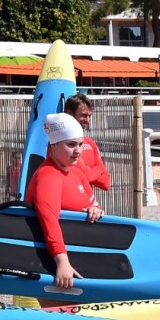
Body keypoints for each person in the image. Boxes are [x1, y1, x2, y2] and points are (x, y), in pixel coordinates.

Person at [26, 112, 104, 307]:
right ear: (53, 146)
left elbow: (93, 204)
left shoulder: (76, 172)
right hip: (55, 264)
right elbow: (48, 220)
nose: (78, 151)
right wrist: (62, 261)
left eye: (79, 144)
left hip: (81, 260)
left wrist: (95, 211)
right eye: (71, 145)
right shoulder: (47, 176)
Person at [64, 94, 111, 191]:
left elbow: (106, 183)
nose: (88, 120)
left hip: (88, 204)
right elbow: (86, 176)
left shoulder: (90, 143)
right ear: (69, 114)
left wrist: (89, 171)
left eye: (89, 116)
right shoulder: (59, 143)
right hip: (68, 204)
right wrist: (98, 169)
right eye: (84, 115)